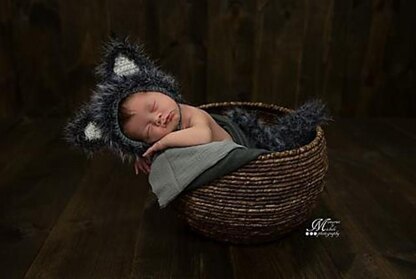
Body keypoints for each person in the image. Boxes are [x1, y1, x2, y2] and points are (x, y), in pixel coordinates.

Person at [118, 91, 233, 175]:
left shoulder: (191, 114)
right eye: (148, 129)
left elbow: (204, 136)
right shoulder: (167, 129)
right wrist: (142, 154)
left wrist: (162, 143)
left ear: (160, 91)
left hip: (233, 153)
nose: (157, 118)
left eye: (153, 107)